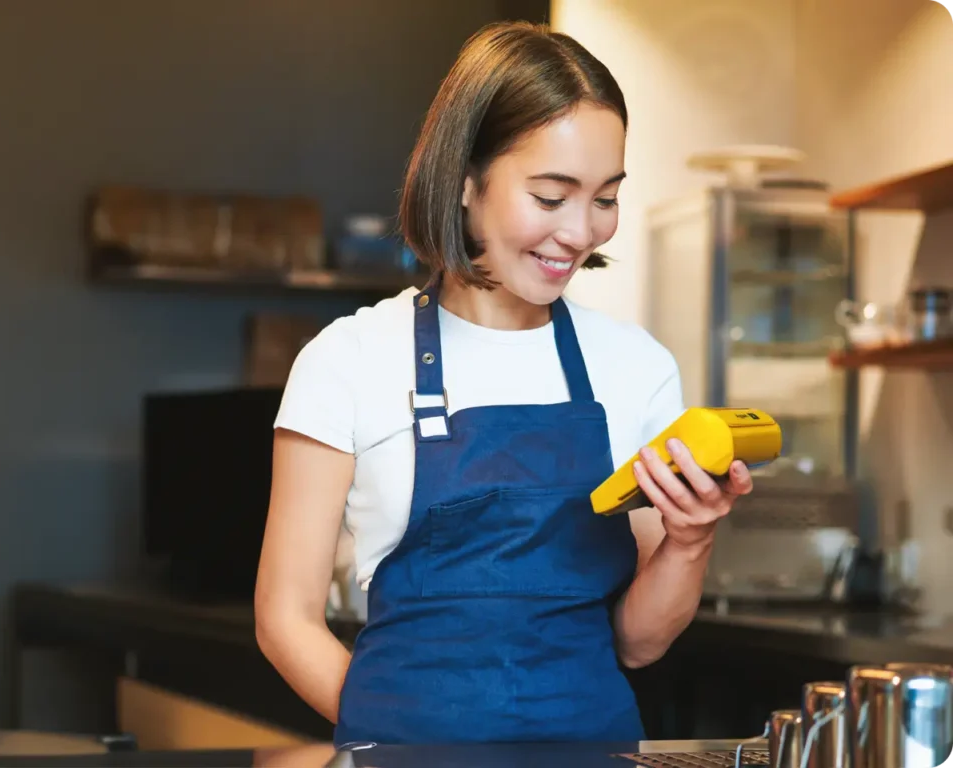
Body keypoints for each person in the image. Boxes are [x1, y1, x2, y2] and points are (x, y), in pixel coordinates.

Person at [254, 20, 754, 747]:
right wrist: (391, 741)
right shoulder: (349, 359)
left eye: (605, 197)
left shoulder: (635, 367)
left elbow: (639, 644)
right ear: (464, 181)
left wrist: (688, 542)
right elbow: (284, 617)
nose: (582, 231)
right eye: (551, 197)